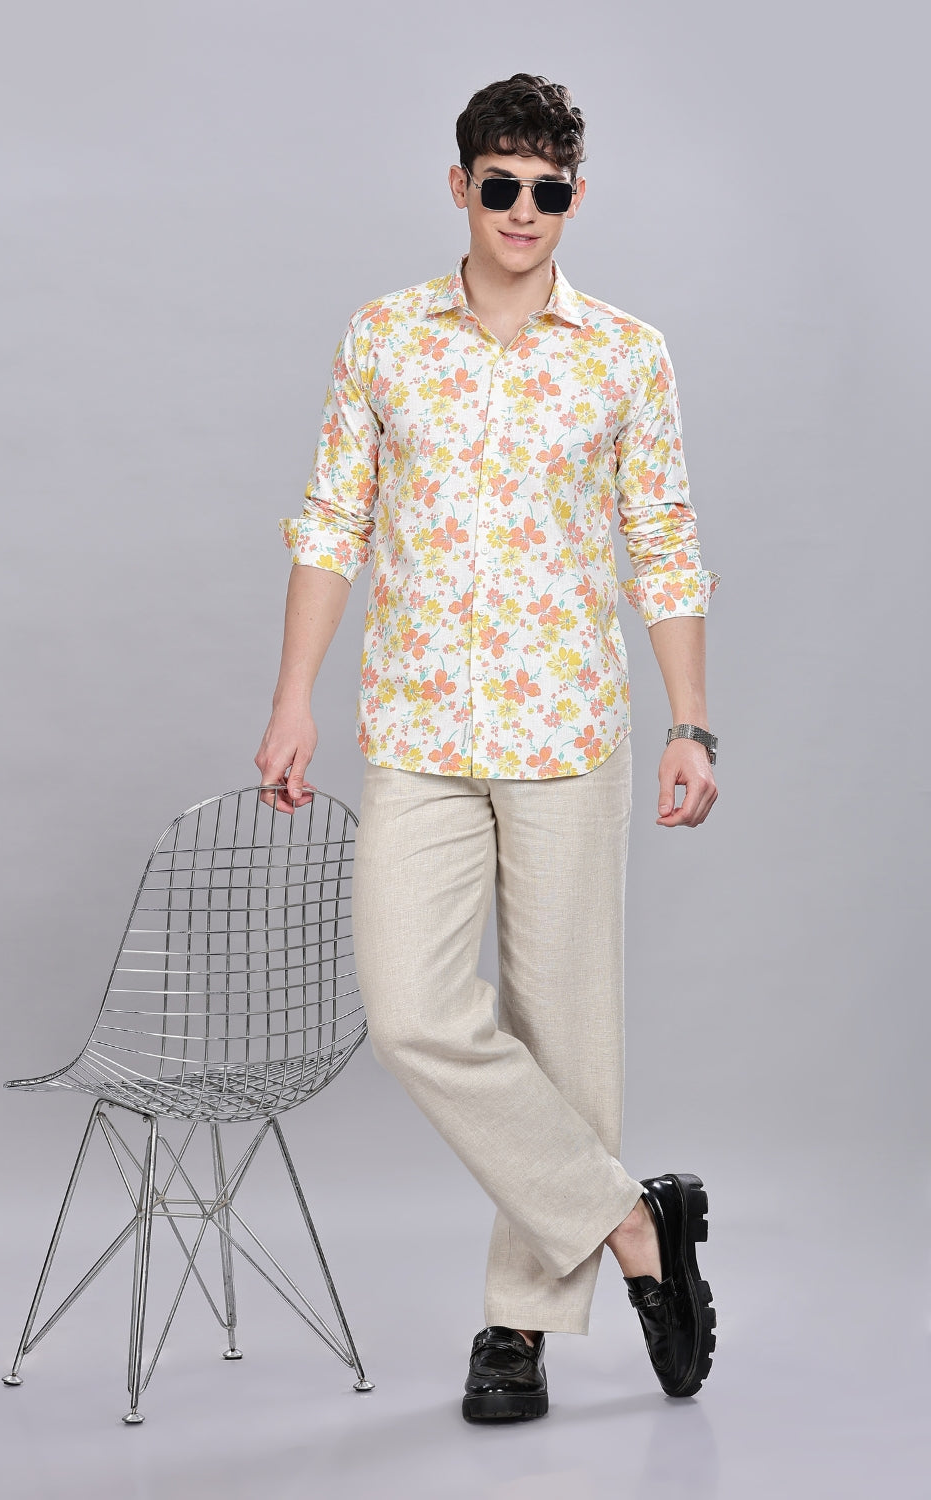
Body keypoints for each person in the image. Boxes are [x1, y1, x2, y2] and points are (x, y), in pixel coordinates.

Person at [255, 73, 719, 1423]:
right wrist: (293, 697)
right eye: (502, 184)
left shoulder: (626, 353)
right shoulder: (385, 337)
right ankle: (632, 1225)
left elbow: (665, 545)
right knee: (413, 1009)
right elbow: (332, 521)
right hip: (416, 728)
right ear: (460, 186)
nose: (525, 210)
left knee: (564, 1039)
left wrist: (690, 722)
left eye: (549, 189)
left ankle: (518, 1327)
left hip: (567, 729)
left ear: (575, 196)